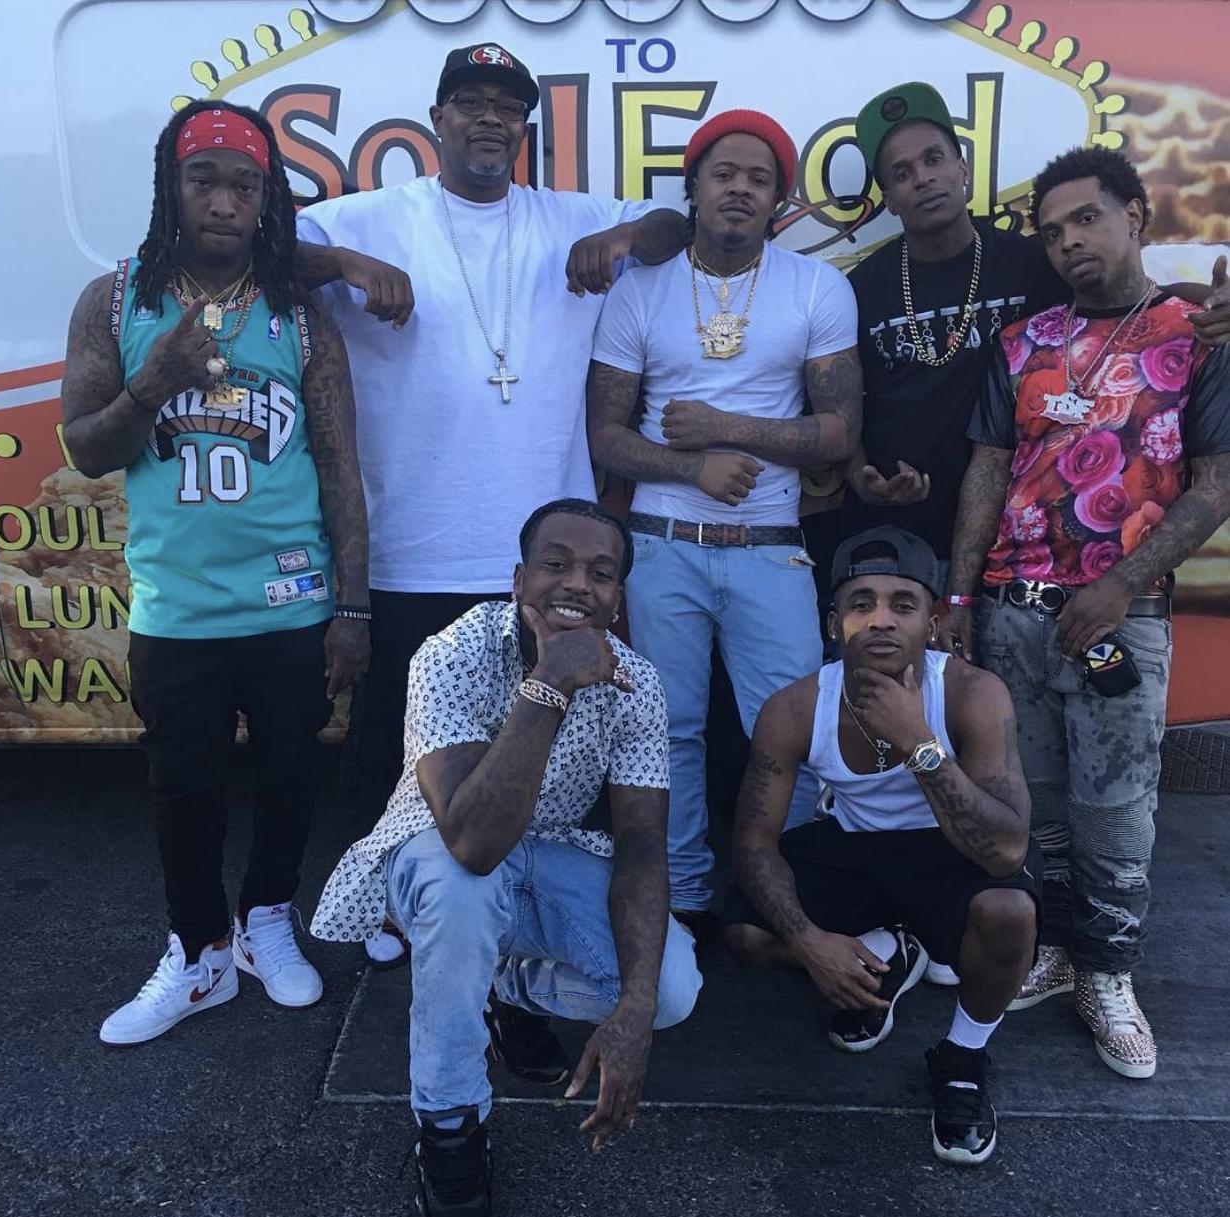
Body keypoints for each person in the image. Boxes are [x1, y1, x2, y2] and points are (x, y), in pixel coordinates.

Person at [295, 42, 690, 828]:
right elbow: (270, 253)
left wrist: (620, 241)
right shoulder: (367, 217)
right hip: (413, 555)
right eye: (472, 103)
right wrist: (341, 262)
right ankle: (392, 889)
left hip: (545, 563)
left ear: (523, 130)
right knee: (398, 765)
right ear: (437, 119)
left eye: (508, 108)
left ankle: (536, 888)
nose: (490, 119)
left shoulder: (570, 217)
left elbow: (673, 226)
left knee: (552, 755)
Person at [60, 101, 370, 1044]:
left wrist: (352, 605)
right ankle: (197, 953)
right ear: (173, 187)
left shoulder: (300, 318)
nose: (226, 202)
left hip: (289, 600)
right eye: (205, 180)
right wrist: (154, 380)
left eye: (246, 185)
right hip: (179, 608)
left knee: (290, 774)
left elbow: (339, 468)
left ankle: (266, 919)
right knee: (183, 789)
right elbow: (85, 450)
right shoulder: (113, 301)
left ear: (267, 199)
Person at [311, 498, 700, 1213]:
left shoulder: (637, 682)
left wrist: (635, 1009)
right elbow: (472, 839)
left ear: (618, 599)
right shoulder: (450, 653)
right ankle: (449, 1123)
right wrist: (550, 683)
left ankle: (504, 987)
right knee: (462, 889)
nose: (578, 583)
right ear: (519, 579)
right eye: (556, 564)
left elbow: (643, 845)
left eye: (602, 573)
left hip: (548, 851)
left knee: (670, 990)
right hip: (435, 853)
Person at [944, 147, 1230, 1080]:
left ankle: (1109, 973)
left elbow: (1215, 484)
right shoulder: (1022, 343)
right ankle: (1059, 950)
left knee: (1117, 804)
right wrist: (960, 598)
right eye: (1053, 230)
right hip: (1011, 610)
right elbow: (987, 472)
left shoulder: (1198, 335)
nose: (1069, 241)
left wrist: (1119, 585)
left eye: (1087, 219)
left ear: (1135, 215)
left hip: (1120, 617)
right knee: (1037, 798)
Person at [587, 109, 862, 926]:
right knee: (664, 730)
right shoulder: (641, 289)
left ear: (779, 199)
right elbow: (605, 434)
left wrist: (722, 427)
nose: (740, 188)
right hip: (660, 543)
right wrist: (689, 466)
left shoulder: (816, 287)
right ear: (695, 186)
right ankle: (680, 900)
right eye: (725, 173)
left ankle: (795, 898)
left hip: (770, 544)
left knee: (792, 728)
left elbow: (839, 434)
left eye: (759, 178)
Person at [724, 526, 1039, 1167]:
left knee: (1010, 912)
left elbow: (1005, 850)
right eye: (860, 603)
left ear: (931, 622)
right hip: (856, 848)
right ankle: (889, 951)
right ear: (832, 623)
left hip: (949, 851)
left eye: (903, 604)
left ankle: (962, 1058)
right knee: (746, 936)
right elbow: (754, 842)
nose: (881, 620)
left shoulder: (973, 693)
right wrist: (809, 943)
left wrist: (918, 741)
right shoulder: (794, 708)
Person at [838, 80, 1230, 582]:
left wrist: (1204, 300)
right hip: (896, 539)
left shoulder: (1033, 261)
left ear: (963, 169)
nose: (923, 178)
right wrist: (862, 477)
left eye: (934, 159)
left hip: (1009, 547)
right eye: (902, 173)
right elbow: (840, 404)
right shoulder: (859, 288)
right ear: (889, 198)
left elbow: (1123, 298)